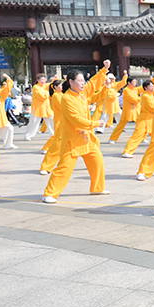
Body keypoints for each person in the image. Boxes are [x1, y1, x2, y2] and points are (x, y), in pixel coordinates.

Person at [42, 62, 110, 203]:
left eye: (83, 80)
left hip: (86, 138)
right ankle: (49, 193)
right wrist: (96, 123)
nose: (83, 83)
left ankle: (97, 188)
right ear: (71, 82)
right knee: (64, 168)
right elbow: (76, 120)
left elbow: (93, 84)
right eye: (79, 81)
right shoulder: (66, 98)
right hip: (72, 140)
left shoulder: (81, 94)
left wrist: (104, 70)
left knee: (97, 161)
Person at [121, 79, 154, 158]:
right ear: (145, 88)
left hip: (150, 120)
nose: (152, 88)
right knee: (137, 136)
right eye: (150, 87)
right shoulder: (145, 96)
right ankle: (127, 151)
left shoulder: (151, 95)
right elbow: (153, 108)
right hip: (144, 120)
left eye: (153, 86)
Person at [39, 78, 66, 175]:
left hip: (67, 122)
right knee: (57, 139)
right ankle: (45, 151)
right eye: (60, 85)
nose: (62, 87)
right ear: (55, 87)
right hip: (60, 121)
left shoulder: (62, 94)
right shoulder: (55, 95)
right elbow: (62, 106)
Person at [109, 77, 143, 144]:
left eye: (135, 82)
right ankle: (112, 138)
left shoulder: (135, 89)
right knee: (121, 125)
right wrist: (141, 98)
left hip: (136, 111)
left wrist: (153, 81)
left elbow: (143, 88)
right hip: (128, 111)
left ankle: (142, 137)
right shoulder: (126, 90)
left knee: (141, 124)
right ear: (129, 83)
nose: (135, 84)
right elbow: (133, 100)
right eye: (133, 82)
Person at [24, 73, 54, 141]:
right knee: (34, 122)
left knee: (51, 120)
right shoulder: (35, 87)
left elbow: (52, 84)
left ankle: (54, 133)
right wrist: (47, 93)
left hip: (46, 107)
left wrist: (55, 78)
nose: (43, 81)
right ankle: (28, 135)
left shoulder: (45, 86)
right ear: (37, 80)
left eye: (44, 79)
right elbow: (42, 97)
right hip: (38, 108)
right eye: (41, 80)